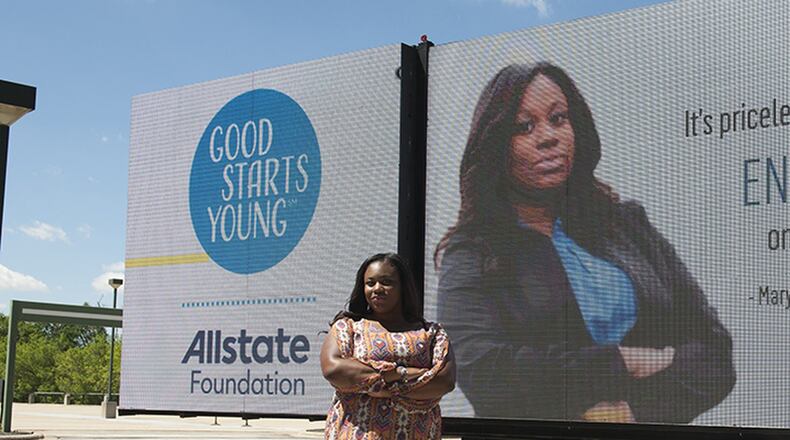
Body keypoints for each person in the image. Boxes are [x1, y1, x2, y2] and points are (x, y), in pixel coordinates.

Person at [435, 62, 735, 424]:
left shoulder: (625, 224)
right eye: (524, 126)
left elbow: (715, 353)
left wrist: (631, 414)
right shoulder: (474, 251)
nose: (548, 136)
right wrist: (624, 361)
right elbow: (483, 372)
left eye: (559, 118)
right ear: (496, 144)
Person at [321, 253, 456, 439]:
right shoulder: (348, 327)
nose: (377, 288)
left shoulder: (432, 333)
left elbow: (443, 381)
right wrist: (403, 373)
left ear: (403, 287)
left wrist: (373, 385)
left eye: (386, 282)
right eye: (370, 283)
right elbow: (334, 370)